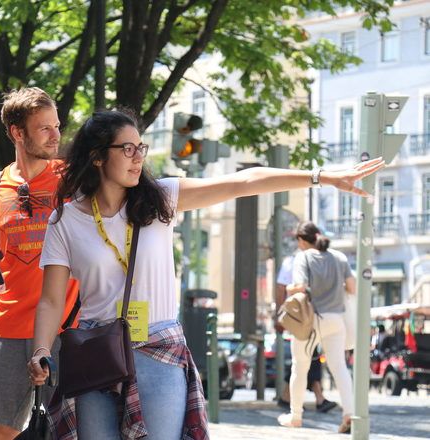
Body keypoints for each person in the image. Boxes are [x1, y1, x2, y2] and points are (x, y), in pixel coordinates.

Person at [28, 109, 384, 439]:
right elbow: (51, 299)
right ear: (97, 156)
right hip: (97, 350)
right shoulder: (66, 220)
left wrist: (321, 177)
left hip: (158, 348)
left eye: (141, 147)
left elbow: (244, 181)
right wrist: (41, 349)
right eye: (127, 148)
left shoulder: (160, 199)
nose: (139, 157)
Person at [0, 87, 79, 440]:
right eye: (44, 128)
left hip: (66, 329)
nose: (56, 136)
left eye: (56, 126)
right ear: (17, 133)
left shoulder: (74, 182)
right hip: (4, 329)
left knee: (66, 432)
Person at [277, 221, 356, 433]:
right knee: (339, 367)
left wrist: (291, 289)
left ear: (302, 241)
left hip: (312, 320)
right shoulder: (339, 257)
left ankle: (295, 416)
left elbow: (300, 286)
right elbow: (352, 287)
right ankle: (349, 413)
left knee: (300, 366)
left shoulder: (303, 257)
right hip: (336, 319)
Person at [275, 255, 337, 414]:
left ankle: (291, 397)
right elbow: (282, 288)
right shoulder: (292, 262)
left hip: (309, 315)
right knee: (307, 355)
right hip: (299, 316)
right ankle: (315, 398)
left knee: (306, 355)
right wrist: (280, 315)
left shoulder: (313, 260)